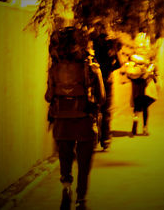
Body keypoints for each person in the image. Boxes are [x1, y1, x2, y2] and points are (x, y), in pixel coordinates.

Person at [45, 25, 105, 210]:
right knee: (84, 162)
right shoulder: (90, 67)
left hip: (62, 121)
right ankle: (81, 199)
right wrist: (98, 75)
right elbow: (101, 98)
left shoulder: (54, 68)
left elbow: (48, 96)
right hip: (84, 119)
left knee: (65, 157)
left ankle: (66, 187)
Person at [90, 23, 122, 150]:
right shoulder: (111, 46)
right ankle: (105, 140)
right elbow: (120, 63)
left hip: (95, 80)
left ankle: (93, 139)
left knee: (94, 109)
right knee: (106, 111)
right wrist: (110, 70)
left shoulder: (94, 44)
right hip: (107, 80)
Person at [126, 32, 159, 136]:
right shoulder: (148, 57)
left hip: (136, 84)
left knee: (137, 106)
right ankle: (144, 128)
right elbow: (154, 69)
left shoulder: (133, 57)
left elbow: (129, 72)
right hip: (145, 83)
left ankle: (134, 128)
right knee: (144, 107)